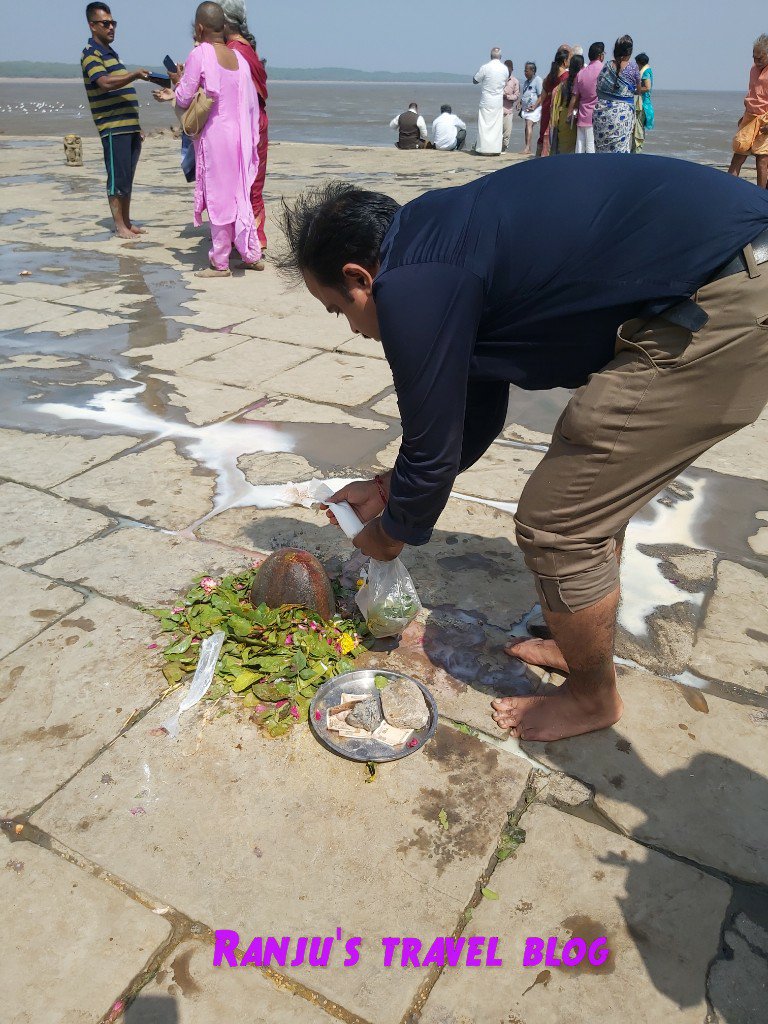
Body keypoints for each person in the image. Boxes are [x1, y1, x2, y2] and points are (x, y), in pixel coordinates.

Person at [278, 159, 768, 744]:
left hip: (729, 293)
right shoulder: (436, 243)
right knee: (590, 486)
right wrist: (388, 489)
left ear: (359, 277)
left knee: (560, 520)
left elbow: (432, 453)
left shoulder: (410, 284)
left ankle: (593, 698)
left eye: (340, 310)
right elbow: (471, 414)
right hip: (731, 271)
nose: (354, 329)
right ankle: (577, 640)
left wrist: (385, 538)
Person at [171, 2, 262, 277]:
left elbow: (184, 97)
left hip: (216, 136)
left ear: (200, 28)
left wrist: (176, 83)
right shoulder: (239, 58)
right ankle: (250, 253)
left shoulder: (201, 53)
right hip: (241, 136)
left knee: (219, 197)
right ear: (223, 27)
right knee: (239, 194)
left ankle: (220, 262)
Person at [80, 3, 149, 239]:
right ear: (92, 26)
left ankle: (127, 222)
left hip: (129, 127)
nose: (111, 27)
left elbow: (120, 89)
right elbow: (104, 83)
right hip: (113, 127)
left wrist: (137, 125)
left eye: (113, 23)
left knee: (127, 177)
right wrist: (134, 75)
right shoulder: (91, 54)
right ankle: (119, 226)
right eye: (106, 23)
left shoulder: (111, 54)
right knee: (116, 178)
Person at [221, 0, 269, 252]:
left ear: (224, 22)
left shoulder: (234, 52)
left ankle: (248, 240)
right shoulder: (247, 49)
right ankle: (254, 238)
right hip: (257, 122)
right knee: (253, 186)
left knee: (242, 186)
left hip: (246, 125)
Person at [728, 35, 768, 189]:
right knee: (739, 154)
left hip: (765, 118)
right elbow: (753, 93)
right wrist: (744, 114)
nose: (756, 61)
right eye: (754, 58)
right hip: (750, 116)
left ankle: (761, 196)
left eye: (760, 58)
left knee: (762, 160)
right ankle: (728, 189)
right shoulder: (753, 70)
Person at [593, 35, 640, 153]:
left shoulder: (607, 66)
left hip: (601, 113)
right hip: (622, 116)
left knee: (601, 152)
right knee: (620, 153)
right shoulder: (633, 68)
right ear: (630, 52)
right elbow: (638, 90)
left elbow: (598, 88)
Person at [567, 41, 604, 154]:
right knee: (591, 147)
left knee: (580, 146)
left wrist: (569, 114)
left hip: (582, 115)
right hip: (597, 115)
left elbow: (574, 97)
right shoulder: (604, 70)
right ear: (600, 55)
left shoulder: (581, 73)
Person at [473, 47, 508, 155]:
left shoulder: (485, 67)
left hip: (486, 100)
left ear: (490, 56)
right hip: (497, 101)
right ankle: (495, 149)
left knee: (484, 125)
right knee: (496, 126)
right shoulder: (504, 69)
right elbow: (505, 81)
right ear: (500, 56)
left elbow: (475, 80)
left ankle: (483, 148)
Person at [536, 45, 570, 157]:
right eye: (569, 59)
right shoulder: (566, 76)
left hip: (546, 108)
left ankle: (540, 157)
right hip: (557, 110)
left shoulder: (550, 75)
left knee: (544, 135)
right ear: (565, 61)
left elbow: (543, 94)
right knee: (555, 136)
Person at [550, 54, 583, 155]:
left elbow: (556, 101)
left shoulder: (563, 83)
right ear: (581, 67)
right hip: (576, 117)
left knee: (563, 148)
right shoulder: (580, 81)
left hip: (563, 117)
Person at [633, 52, 654, 152]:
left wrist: (635, 90)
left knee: (638, 130)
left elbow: (647, 87)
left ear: (639, 63)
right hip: (644, 104)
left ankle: (636, 152)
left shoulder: (645, 72)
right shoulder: (647, 70)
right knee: (638, 129)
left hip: (643, 105)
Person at [520, 62, 542, 156]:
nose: (525, 73)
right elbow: (525, 95)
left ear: (532, 70)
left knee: (529, 124)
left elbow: (541, 96)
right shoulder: (526, 82)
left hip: (535, 108)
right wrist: (520, 103)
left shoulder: (538, 80)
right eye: (524, 71)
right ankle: (528, 147)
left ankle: (527, 147)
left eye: (527, 71)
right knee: (527, 126)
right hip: (526, 109)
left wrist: (535, 106)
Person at [502, 59, 520, 151]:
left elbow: (516, 96)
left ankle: (503, 149)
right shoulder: (499, 79)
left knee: (507, 135)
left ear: (512, 69)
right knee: (496, 133)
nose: (507, 70)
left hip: (508, 111)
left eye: (509, 69)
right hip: (497, 110)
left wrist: (507, 97)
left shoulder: (515, 81)